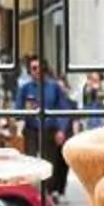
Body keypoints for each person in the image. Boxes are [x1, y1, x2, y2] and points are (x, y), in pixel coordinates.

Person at [15, 54, 75, 197]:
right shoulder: (25, 88)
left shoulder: (54, 87)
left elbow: (64, 109)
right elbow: (17, 110)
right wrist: (24, 112)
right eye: (33, 68)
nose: (36, 71)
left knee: (49, 162)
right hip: (31, 129)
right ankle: (31, 192)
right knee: (30, 159)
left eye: (38, 67)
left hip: (49, 129)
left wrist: (61, 129)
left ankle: (47, 193)